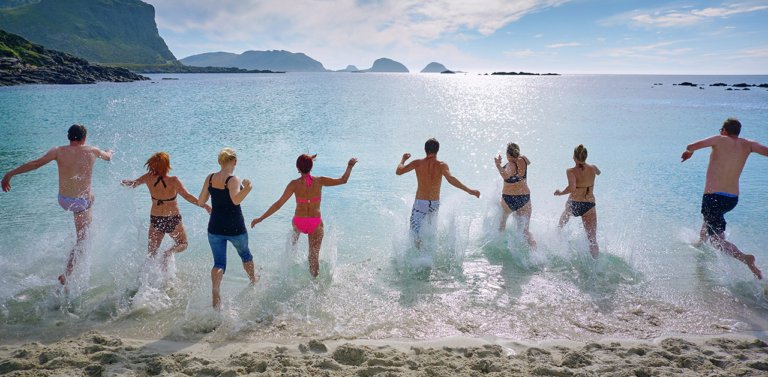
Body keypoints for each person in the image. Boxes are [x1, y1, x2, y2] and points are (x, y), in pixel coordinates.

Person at [1, 124, 112, 285]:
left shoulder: (57, 151)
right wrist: (109, 151)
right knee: (83, 239)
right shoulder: (92, 150)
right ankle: (67, 273)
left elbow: (35, 164)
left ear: (68, 137)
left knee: (89, 202)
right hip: (81, 203)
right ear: (84, 138)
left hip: (64, 200)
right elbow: (108, 157)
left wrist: (10, 174)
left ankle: (81, 232)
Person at [681, 118, 767, 280]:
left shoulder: (719, 139)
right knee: (709, 219)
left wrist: (690, 153)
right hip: (732, 199)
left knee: (717, 241)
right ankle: (700, 242)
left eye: (721, 130)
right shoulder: (749, 144)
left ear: (725, 131)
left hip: (713, 197)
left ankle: (745, 258)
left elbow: (690, 146)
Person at [251, 154, 357, 278]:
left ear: (297, 168)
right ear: (311, 167)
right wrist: (349, 166)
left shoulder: (294, 184)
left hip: (299, 222)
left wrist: (260, 218)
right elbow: (343, 180)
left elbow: (278, 204)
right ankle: (315, 282)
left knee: (293, 237)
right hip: (315, 223)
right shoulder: (320, 181)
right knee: (313, 257)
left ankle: (291, 252)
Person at [121, 152, 211, 270]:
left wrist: (123, 182)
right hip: (172, 218)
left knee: (151, 254)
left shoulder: (148, 177)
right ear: (167, 166)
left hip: (156, 219)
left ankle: (146, 277)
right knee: (183, 243)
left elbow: (133, 184)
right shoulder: (174, 180)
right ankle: (168, 253)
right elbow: (187, 196)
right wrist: (204, 205)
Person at [197, 148, 258, 309]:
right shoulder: (233, 179)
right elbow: (236, 200)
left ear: (219, 162)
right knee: (245, 255)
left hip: (215, 227)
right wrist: (248, 188)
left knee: (219, 263)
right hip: (235, 227)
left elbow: (200, 201)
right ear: (234, 161)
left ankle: (215, 290)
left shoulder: (210, 178)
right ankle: (253, 281)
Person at [396, 138, 480, 245]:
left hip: (420, 203)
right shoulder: (441, 165)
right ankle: (430, 252)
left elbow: (399, 171)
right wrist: (469, 190)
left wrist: (403, 159)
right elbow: (451, 179)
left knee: (415, 233)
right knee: (431, 232)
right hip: (434, 204)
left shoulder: (417, 163)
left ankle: (419, 252)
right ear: (437, 150)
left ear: (425, 149)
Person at [554, 144, 601, 259]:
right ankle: (596, 263)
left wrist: (560, 193)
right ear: (585, 156)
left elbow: (572, 188)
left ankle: (556, 236)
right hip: (589, 205)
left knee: (562, 221)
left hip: (575, 204)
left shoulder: (571, 171)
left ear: (574, 157)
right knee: (592, 239)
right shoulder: (593, 168)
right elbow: (599, 172)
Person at [494, 142, 536, 248]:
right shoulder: (523, 159)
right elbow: (529, 162)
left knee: (502, 223)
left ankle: (500, 247)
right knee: (525, 231)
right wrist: (519, 156)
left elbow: (506, 176)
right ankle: (536, 252)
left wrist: (498, 165)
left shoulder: (510, 165)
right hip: (524, 199)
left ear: (508, 154)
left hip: (509, 199)